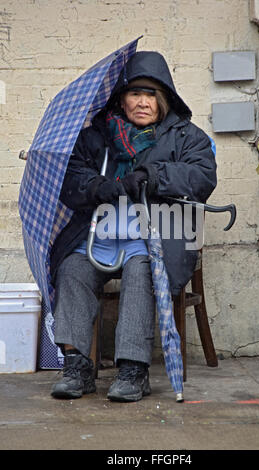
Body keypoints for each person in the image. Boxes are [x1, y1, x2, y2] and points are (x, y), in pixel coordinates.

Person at [49, 50, 217, 402]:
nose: (142, 102)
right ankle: (77, 366)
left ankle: (133, 370)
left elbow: (202, 176)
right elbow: (71, 179)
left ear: (165, 99)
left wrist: (153, 176)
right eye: (134, 93)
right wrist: (99, 186)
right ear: (121, 99)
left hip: (154, 235)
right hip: (99, 234)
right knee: (73, 267)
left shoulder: (186, 137)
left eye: (151, 95)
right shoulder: (97, 135)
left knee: (144, 269)